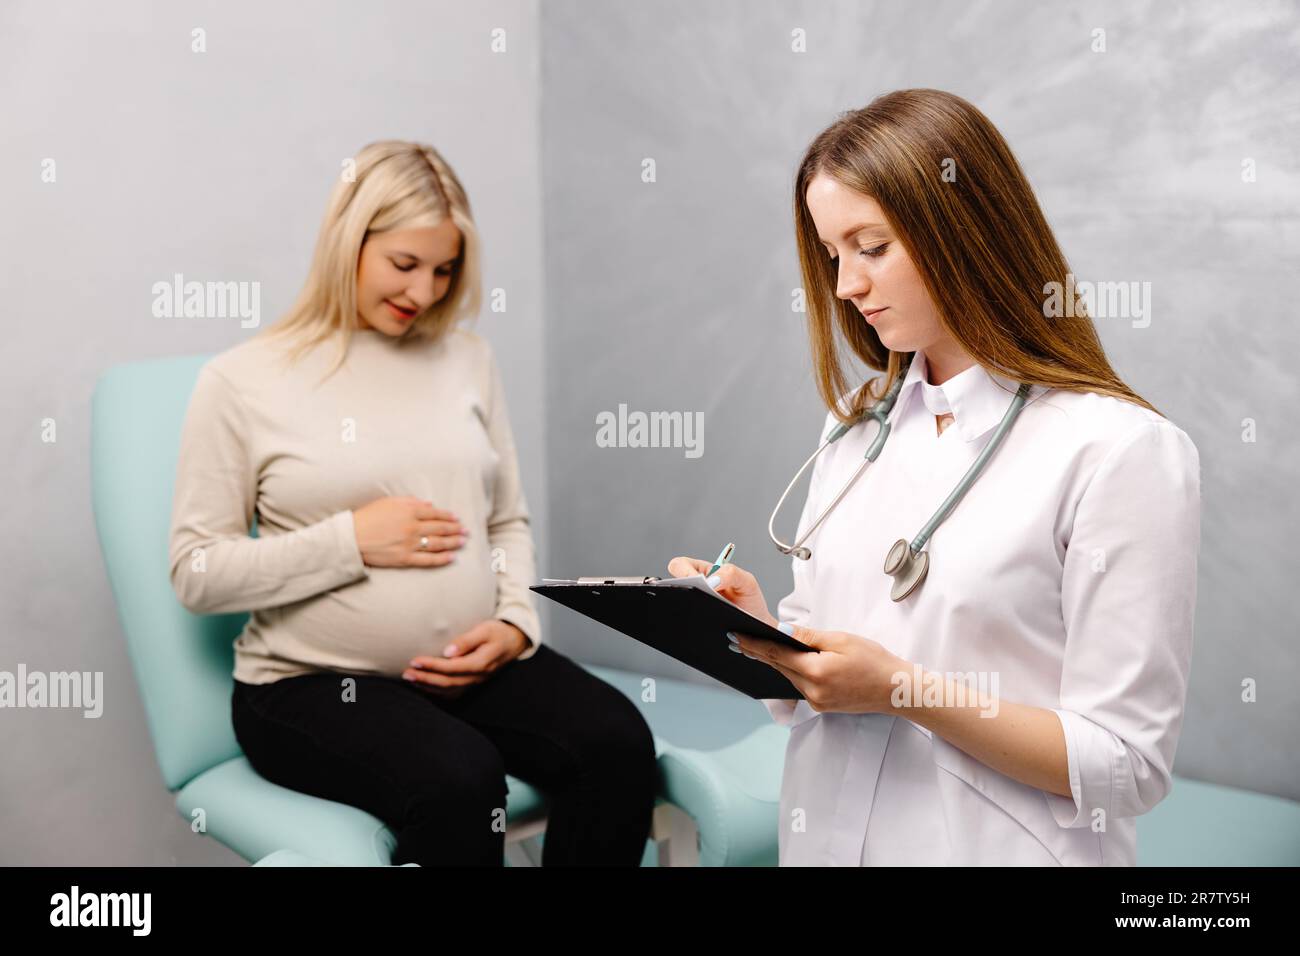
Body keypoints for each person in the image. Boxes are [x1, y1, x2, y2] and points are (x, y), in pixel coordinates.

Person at [669, 89, 1201, 866]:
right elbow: (818, 687)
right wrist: (759, 634)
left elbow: (1126, 765)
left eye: (871, 247)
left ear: (965, 231)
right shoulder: (858, 422)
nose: (845, 284)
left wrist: (902, 690)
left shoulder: (1120, 452)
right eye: (831, 255)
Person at [169, 140, 657, 866]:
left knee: (616, 743)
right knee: (459, 783)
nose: (425, 292)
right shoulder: (242, 382)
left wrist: (516, 626)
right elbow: (197, 572)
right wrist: (351, 541)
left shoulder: (468, 359)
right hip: (309, 685)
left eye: (445, 269)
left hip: (469, 668)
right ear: (348, 242)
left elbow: (506, 521)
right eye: (405, 265)